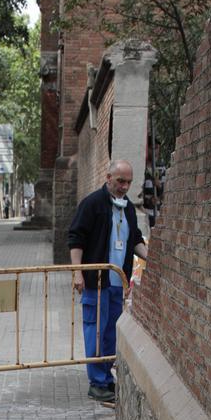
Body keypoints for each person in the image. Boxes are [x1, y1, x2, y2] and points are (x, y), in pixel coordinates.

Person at [67, 159, 148, 407]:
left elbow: (135, 239)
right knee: (96, 330)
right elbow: (76, 238)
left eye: (128, 182)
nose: (124, 186)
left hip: (117, 282)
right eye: (120, 181)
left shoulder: (129, 209)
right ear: (108, 177)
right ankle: (97, 383)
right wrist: (77, 272)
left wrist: (153, 260)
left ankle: (105, 378)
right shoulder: (92, 204)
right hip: (95, 281)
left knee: (110, 333)